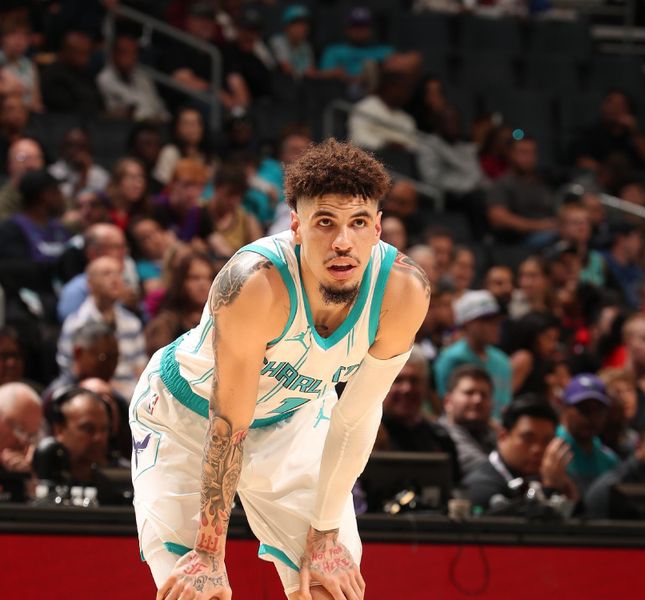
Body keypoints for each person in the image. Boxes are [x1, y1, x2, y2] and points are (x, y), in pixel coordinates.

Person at [131, 140, 429, 599]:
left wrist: (326, 531)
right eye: (324, 223)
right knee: (195, 590)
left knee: (329, 584)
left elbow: (357, 415)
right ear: (295, 226)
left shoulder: (404, 291)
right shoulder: (253, 283)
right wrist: (210, 552)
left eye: (358, 223)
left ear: (378, 228)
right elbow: (229, 422)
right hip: (188, 417)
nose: (342, 242)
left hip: (296, 417)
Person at [465, 396, 577, 510]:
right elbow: (521, 525)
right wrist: (549, 489)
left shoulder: (549, 477)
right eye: (528, 439)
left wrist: (569, 495)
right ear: (502, 437)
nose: (537, 449)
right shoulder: (482, 486)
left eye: (546, 441)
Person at [57, 256, 146, 397]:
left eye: (119, 274)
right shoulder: (75, 324)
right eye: (106, 274)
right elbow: (69, 371)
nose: (115, 280)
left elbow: (140, 369)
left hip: (130, 395)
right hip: (89, 392)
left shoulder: (132, 323)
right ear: (90, 283)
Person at [433, 290, 512, 416]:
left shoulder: (502, 361)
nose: (494, 325)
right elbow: (446, 404)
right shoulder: (451, 358)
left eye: (496, 320)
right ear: (467, 323)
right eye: (486, 320)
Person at [378, 349, 458, 468]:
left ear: (426, 387)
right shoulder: (366, 435)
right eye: (398, 380)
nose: (407, 388)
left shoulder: (439, 437)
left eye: (414, 381)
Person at [57, 223, 139, 321]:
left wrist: (134, 308)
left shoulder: (125, 283)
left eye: (124, 246)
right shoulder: (76, 290)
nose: (124, 252)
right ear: (93, 253)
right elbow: (73, 327)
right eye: (117, 247)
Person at [486, 136, 557, 247]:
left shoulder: (543, 181)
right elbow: (497, 218)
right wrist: (538, 226)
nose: (529, 157)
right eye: (523, 152)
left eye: (532, 153)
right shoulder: (503, 184)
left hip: (549, 231)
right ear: (511, 154)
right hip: (518, 241)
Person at [556, 374, 619, 493]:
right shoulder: (551, 451)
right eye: (583, 409)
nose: (591, 417)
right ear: (565, 408)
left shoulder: (609, 460)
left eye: (598, 410)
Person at [144, 248, 214, 355]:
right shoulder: (165, 323)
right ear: (181, 282)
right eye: (195, 278)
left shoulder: (219, 319)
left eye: (208, 278)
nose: (203, 285)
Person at [0, 169, 70, 264]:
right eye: (56, 191)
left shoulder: (58, 228)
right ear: (45, 195)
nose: (62, 197)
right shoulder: (10, 231)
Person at [572, 89, 645, 172]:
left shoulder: (635, 135)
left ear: (629, 110)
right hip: (598, 180)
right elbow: (582, 161)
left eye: (619, 105)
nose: (613, 108)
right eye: (609, 103)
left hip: (629, 182)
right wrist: (608, 172)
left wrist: (635, 132)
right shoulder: (590, 133)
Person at [438, 366, 498, 481]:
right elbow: (485, 471)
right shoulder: (440, 435)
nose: (477, 400)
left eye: (484, 394)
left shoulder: (492, 433)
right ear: (448, 402)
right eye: (469, 393)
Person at [96, 33, 169, 122]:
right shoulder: (104, 79)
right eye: (126, 52)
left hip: (155, 125)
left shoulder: (143, 76)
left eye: (134, 52)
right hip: (125, 128)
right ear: (114, 54)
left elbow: (157, 103)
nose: (131, 57)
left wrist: (162, 117)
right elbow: (113, 111)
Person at [46, 386, 112, 484]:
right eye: (88, 429)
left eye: (104, 429)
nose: (99, 438)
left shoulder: (128, 479)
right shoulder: (38, 479)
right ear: (59, 430)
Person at [348, 67, 418, 152]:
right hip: (368, 160)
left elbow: (414, 146)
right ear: (389, 87)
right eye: (403, 88)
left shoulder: (406, 118)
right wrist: (386, 144)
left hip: (401, 162)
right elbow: (358, 139)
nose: (407, 94)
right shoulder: (365, 107)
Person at [40, 29, 102, 114]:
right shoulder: (52, 76)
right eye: (81, 53)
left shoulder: (86, 73)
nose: (87, 59)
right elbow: (64, 108)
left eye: (88, 53)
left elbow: (97, 101)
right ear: (67, 51)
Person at [0, 137, 45, 227]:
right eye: (22, 158)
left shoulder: (51, 193)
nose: (30, 165)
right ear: (9, 165)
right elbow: (10, 230)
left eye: (36, 158)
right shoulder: (2, 202)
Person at [48, 127, 110, 201]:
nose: (75, 150)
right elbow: (63, 202)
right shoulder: (53, 173)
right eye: (70, 145)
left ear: (88, 148)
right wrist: (83, 175)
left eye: (81, 146)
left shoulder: (101, 175)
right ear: (62, 147)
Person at [0, 17, 43, 112]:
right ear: (3, 38)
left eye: (24, 36)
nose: (19, 41)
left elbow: (36, 100)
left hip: (28, 115)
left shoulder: (29, 65)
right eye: (14, 35)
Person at [154, 106, 208, 186]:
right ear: (176, 128)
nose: (191, 129)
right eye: (186, 124)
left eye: (195, 123)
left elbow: (210, 191)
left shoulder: (209, 158)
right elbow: (162, 187)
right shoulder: (170, 152)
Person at [602, 221, 645, 309]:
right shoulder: (601, 261)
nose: (640, 244)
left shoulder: (636, 271)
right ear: (622, 239)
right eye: (637, 238)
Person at [270, 5, 316, 79]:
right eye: (297, 24)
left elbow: (312, 72)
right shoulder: (278, 41)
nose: (303, 28)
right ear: (287, 27)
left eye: (305, 24)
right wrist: (306, 73)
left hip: (304, 86)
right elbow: (287, 70)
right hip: (283, 84)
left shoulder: (306, 46)